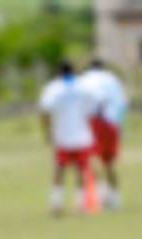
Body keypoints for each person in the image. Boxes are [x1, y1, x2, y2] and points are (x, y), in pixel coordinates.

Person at [39, 60, 98, 217]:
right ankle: (80, 204)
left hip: (63, 136)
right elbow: (93, 105)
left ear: (59, 72)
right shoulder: (83, 86)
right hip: (82, 135)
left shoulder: (54, 88)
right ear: (74, 70)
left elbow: (44, 110)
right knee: (81, 170)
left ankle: (56, 204)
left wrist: (46, 132)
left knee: (59, 170)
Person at [79, 59, 128, 209]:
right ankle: (115, 198)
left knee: (91, 160)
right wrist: (120, 127)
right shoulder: (112, 79)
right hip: (112, 124)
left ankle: (100, 194)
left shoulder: (84, 80)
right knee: (109, 163)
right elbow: (122, 104)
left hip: (94, 123)